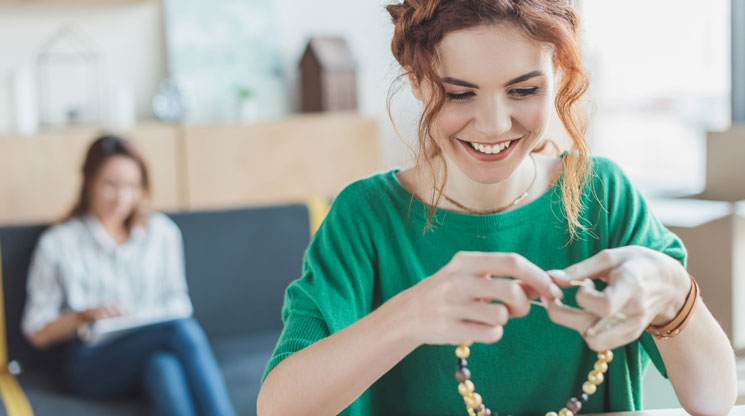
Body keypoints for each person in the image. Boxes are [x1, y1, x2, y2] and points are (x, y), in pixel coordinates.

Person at [257, 1, 738, 415]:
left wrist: (673, 294)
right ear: (418, 83)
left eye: (524, 90)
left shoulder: (602, 195)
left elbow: (717, 399)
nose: (493, 124)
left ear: (561, 76)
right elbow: (279, 406)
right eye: (459, 93)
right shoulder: (365, 216)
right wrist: (408, 318)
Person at [21, 135, 236, 416]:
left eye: (133, 186)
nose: (122, 197)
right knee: (181, 330)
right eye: (111, 185)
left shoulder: (162, 233)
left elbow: (178, 303)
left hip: (152, 349)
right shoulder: (58, 242)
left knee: (162, 366)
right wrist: (84, 315)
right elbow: (37, 331)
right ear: (88, 181)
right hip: (93, 362)